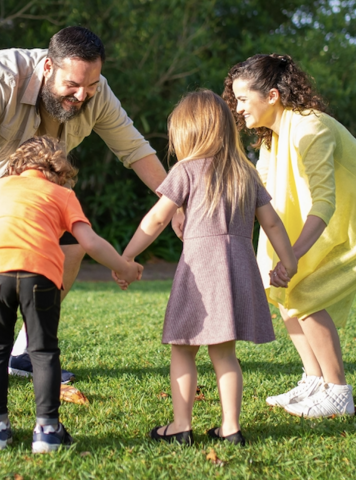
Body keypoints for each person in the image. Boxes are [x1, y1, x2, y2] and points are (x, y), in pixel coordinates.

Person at [0, 26, 176, 390]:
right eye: (73, 85)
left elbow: (135, 149)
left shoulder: (95, 92)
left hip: (42, 184)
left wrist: (174, 202)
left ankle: (24, 352)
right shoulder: (2, 73)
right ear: (47, 67)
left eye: (90, 85)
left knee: (70, 249)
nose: (82, 95)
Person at [114, 90, 297, 445]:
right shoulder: (246, 172)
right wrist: (288, 262)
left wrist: (127, 258)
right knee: (225, 354)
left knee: (183, 348)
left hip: (201, 272)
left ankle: (181, 426)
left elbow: (155, 220)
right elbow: (272, 224)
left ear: (188, 133)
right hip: (237, 271)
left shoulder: (186, 171)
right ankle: (230, 428)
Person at [223, 53, 356, 418]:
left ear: (272, 96)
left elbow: (324, 202)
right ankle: (315, 380)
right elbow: (262, 194)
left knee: (303, 289)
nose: (237, 109)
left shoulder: (310, 128)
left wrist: (294, 256)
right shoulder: (271, 138)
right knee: (285, 290)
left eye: (242, 99)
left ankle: (337, 393)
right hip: (338, 222)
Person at [0, 136, 142, 452]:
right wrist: (124, 267)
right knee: (43, 351)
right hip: (41, 275)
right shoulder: (63, 194)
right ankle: (47, 431)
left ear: (17, 165)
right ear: (60, 171)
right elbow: (89, 243)